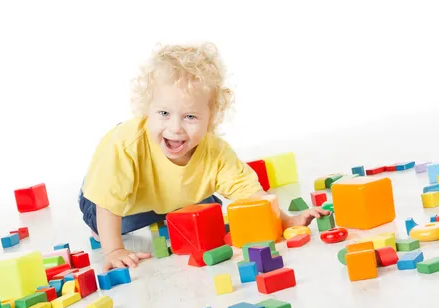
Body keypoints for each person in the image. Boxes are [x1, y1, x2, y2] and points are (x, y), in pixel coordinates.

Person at [79, 42, 328, 271]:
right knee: (117, 225)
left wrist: (287, 221)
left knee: (210, 211)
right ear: (147, 110)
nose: (175, 128)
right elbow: (108, 202)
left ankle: (173, 216)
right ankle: (100, 231)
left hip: (171, 200)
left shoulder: (215, 152)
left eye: (190, 117)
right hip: (113, 202)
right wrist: (114, 249)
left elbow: (253, 195)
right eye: (164, 113)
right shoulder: (126, 145)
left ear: (211, 119)